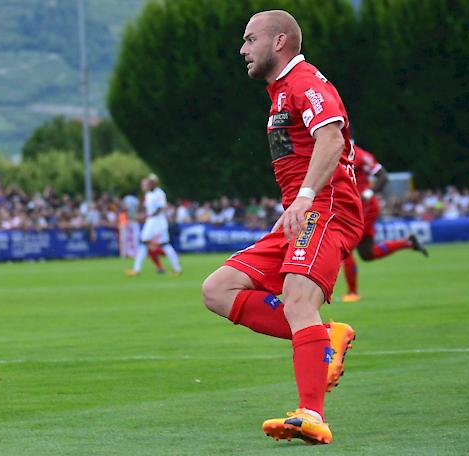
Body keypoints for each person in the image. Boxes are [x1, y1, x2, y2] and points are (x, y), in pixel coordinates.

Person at [201, 10, 363, 445]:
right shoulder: (280, 93)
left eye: (250, 39)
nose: (242, 49)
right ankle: (325, 338)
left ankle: (312, 413)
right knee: (217, 290)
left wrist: (307, 198)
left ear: (279, 42)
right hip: (300, 213)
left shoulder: (304, 81)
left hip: (325, 209)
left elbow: (332, 138)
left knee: (296, 298)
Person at [341, 142, 428, 302]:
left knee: (345, 245)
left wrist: (369, 193)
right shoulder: (336, 150)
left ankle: (352, 293)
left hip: (362, 205)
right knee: (367, 253)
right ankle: (407, 242)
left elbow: (383, 175)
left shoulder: (358, 155)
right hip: (352, 205)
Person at [125, 174, 182, 276]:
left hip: (157, 221)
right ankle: (136, 269)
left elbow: (160, 208)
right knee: (148, 243)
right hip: (152, 221)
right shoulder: (149, 194)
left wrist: (148, 215)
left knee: (162, 244)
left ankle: (177, 268)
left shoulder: (159, 193)